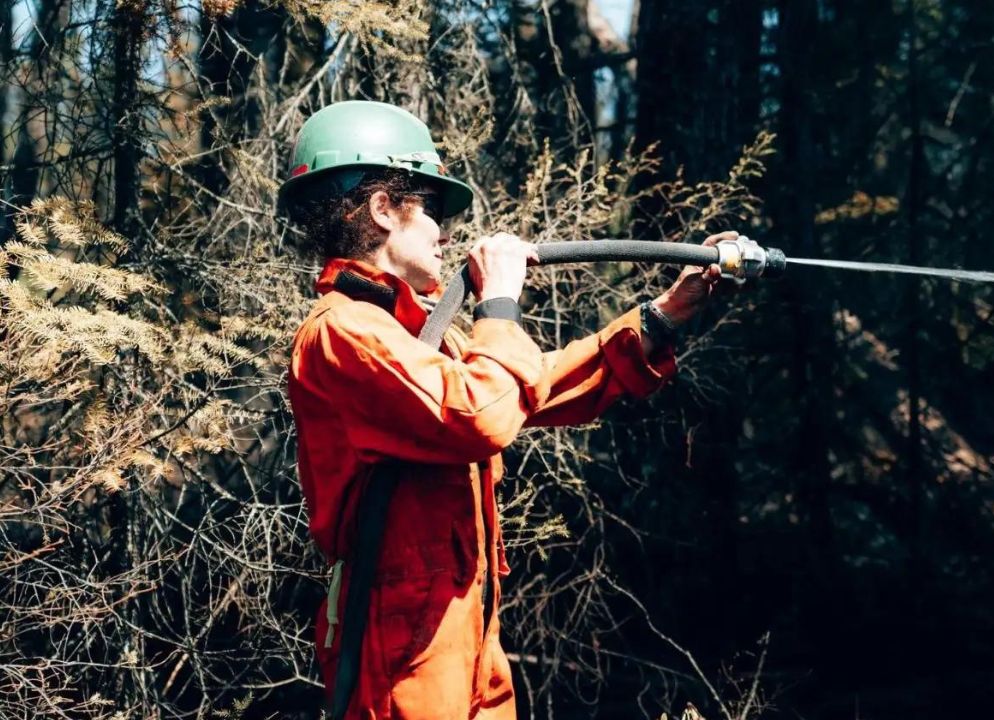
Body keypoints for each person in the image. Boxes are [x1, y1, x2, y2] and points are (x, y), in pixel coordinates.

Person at [280, 101, 740, 719]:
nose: (444, 230)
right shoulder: (344, 333)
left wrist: (664, 318)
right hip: (402, 665)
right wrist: (499, 302)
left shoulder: (421, 338)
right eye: (433, 207)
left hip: (465, 640)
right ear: (383, 210)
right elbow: (481, 413)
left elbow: (529, 385)